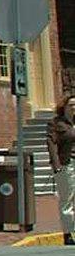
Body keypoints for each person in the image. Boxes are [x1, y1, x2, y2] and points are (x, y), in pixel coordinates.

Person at [47, 95, 75, 246]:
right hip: (67, 164)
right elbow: (51, 144)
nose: (73, 108)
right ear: (64, 107)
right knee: (67, 199)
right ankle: (68, 233)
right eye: (71, 105)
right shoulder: (56, 124)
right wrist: (56, 165)